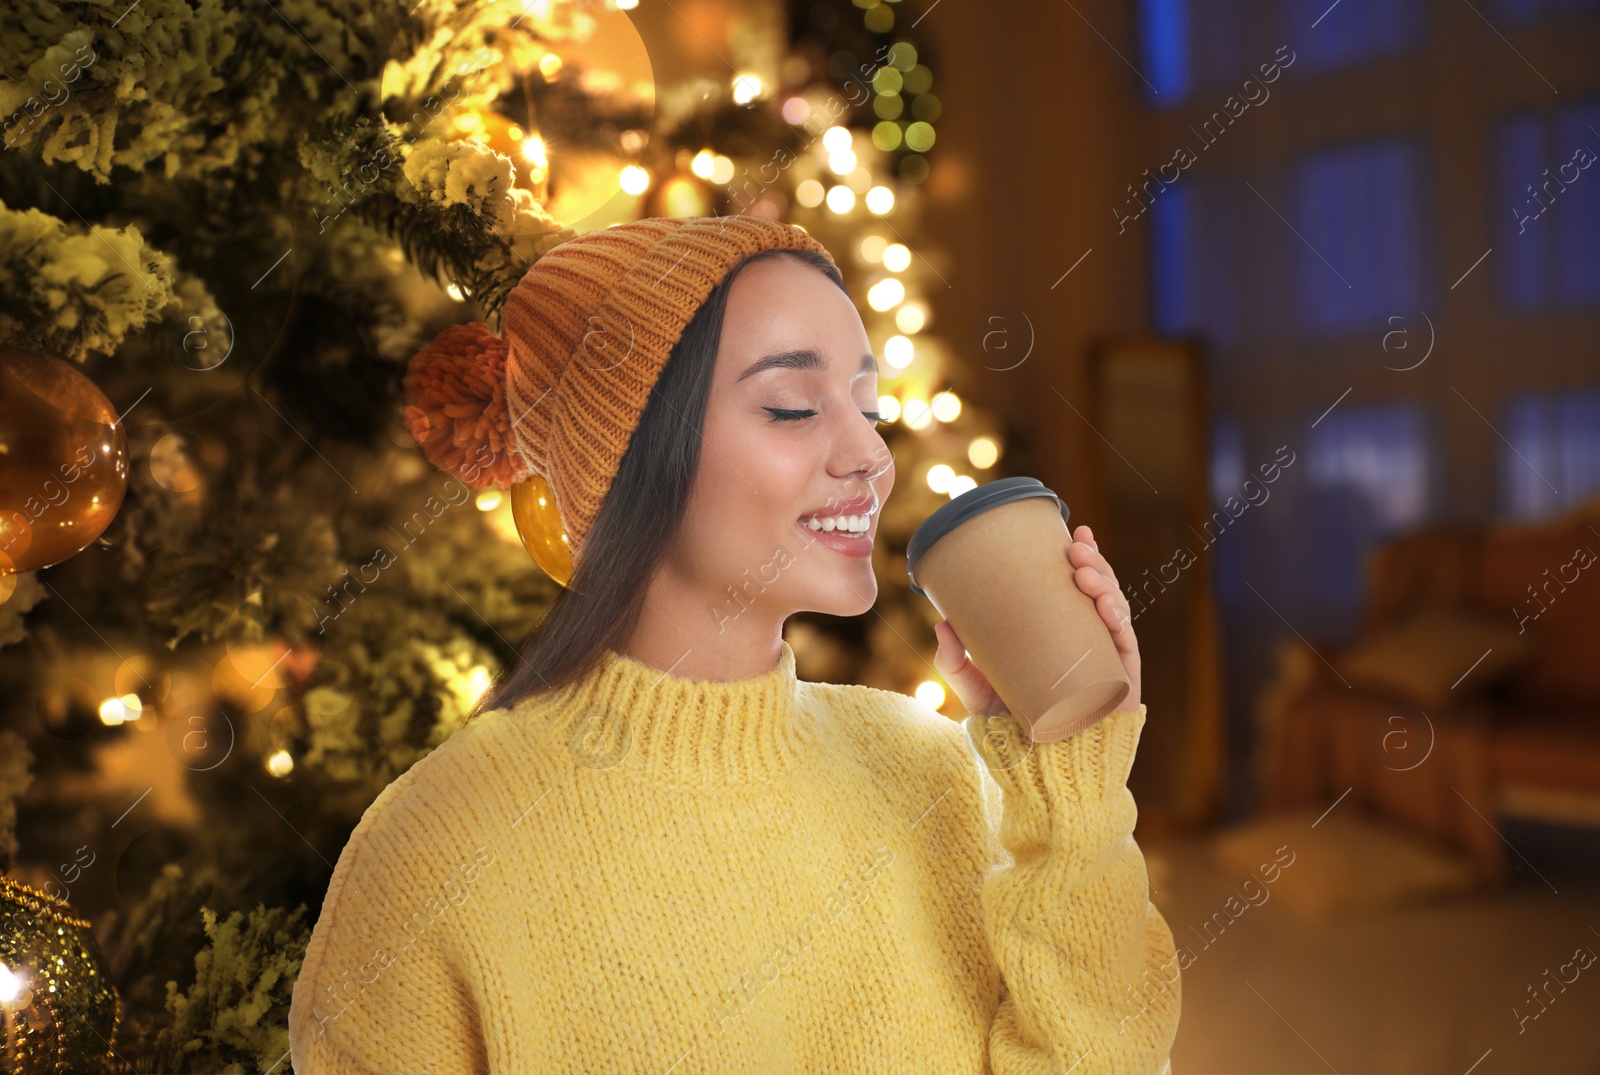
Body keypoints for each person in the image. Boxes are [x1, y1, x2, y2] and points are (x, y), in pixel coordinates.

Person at [286, 215, 1180, 1074]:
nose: (872, 453)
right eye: (793, 406)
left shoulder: (937, 773)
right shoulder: (433, 851)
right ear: (634, 454)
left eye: (867, 405)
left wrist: (1075, 784)